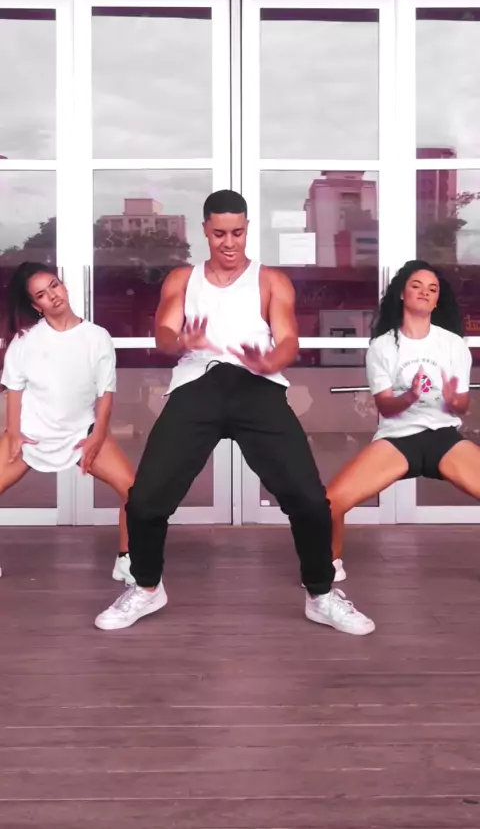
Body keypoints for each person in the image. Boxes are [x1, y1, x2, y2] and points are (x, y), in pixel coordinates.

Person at [95, 190, 374, 635]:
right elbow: (163, 334)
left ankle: (321, 595)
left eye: (238, 233)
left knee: (307, 498)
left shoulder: (270, 280)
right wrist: (181, 342)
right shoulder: (183, 279)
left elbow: (288, 339)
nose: (229, 242)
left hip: (256, 386)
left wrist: (271, 361)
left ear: (247, 230)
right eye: (220, 233)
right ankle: (146, 587)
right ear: (205, 230)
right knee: (146, 498)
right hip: (197, 385)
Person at [327, 259, 478, 575]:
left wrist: (455, 400)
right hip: (398, 438)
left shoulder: (453, 344)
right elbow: (385, 406)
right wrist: (409, 396)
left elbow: (462, 405)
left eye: (432, 289)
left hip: (443, 437)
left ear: (437, 301)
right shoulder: (382, 346)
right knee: (330, 503)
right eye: (417, 286)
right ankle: (325, 569)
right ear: (402, 293)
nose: (425, 293)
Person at [0, 261, 135, 584]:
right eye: (41, 295)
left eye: (54, 286)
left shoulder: (97, 337)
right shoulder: (25, 341)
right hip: (32, 434)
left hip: (81, 433)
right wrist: (14, 432)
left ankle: (128, 559)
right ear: (36, 306)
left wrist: (98, 435)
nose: (53, 295)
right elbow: (14, 389)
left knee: (136, 491)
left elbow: (106, 393)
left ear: (64, 286)